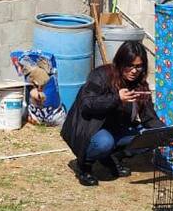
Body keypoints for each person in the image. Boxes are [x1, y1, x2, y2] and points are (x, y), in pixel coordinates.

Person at [60, 40, 165, 187]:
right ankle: (84, 165)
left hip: (117, 128)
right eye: (130, 65)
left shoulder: (140, 84)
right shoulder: (101, 75)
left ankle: (112, 157)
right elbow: (87, 104)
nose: (134, 71)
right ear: (121, 63)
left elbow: (149, 117)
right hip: (89, 128)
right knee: (104, 142)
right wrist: (117, 98)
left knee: (152, 136)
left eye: (139, 66)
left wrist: (165, 133)